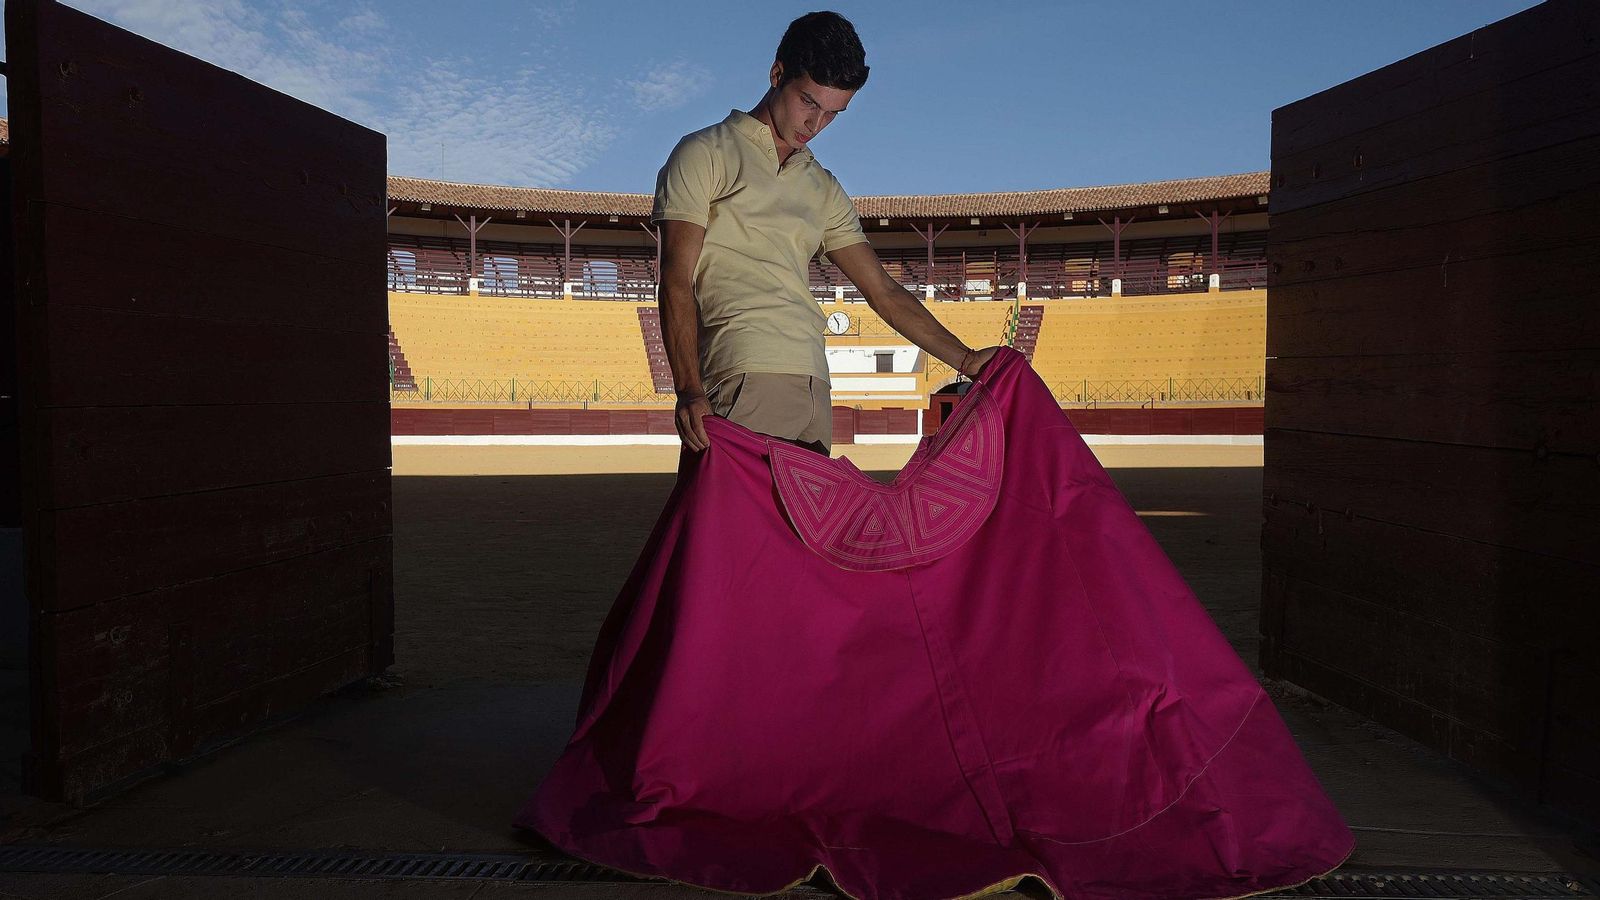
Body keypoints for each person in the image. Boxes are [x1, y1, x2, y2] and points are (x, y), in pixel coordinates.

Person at [650, 11, 1000, 457]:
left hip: (815, 381)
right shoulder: (704, 153)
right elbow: (675, 279)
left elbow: (882, 291)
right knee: (732, 526)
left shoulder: (823, 185)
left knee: (803, 529)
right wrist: (688, 389)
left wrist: (966, 360)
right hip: (741, 372)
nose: (815, 125)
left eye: (834, 113)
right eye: (809, 102)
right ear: (778, 73)